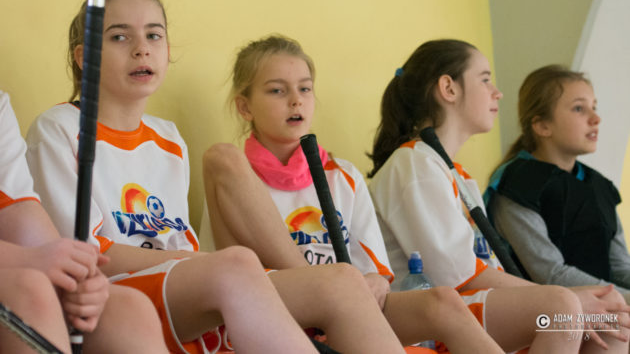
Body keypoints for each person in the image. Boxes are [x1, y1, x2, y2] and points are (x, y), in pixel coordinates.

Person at [26, 0, 404, 354]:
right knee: (237, 263)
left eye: (154, 35)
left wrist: (201, 263)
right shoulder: (58, 129)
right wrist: (205, 263)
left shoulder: (168, 138)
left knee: (340, 280)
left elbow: (179, 240)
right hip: (111, 294)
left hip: (182, 285)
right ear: (84, 56)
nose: (142, 49)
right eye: (120, 37)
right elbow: (86, 255)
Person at [206, 34, 504, 353]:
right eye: (277, 90)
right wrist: (326, 290)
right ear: (245, 106)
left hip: (346, 306)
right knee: (339, 286)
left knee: (443, 301)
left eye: (305, 89)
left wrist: (373, 282)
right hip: (275, 311)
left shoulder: (343, 174)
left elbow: (375, 275)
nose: (296, 100)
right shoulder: (234, 177)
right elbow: (224, 272)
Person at [367, 39, 630, 353]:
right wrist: (569, 300)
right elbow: (459, 275)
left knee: (612, 320)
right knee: (560, 307)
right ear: (448, 88)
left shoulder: (457, 175)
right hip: (434, 319)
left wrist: (574, 302)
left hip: (477, 307)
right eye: (485, 79)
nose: (498, 93)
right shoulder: (413, 164)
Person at [0, 91, 168, 354]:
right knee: (30, 290)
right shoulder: (57, 126)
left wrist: (76, 275)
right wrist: (25, 259)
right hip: (15, 276)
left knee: (130, 309)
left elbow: (17, 210)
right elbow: (30, 258)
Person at [484, 65, 630, 303]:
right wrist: (623, 300)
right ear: (542, 126)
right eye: (579, 108)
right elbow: (550, 274)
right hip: (544, 315)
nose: (596, 119)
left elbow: (620, 266)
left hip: (605, 309)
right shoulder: (515, 186)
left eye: (594, 107)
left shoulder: (600, 186)